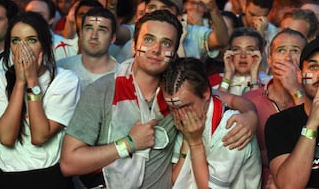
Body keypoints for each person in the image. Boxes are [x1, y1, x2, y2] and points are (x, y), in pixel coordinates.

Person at [61, 10, 258, 188]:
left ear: (173, 53)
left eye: (166, 43)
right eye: (148, 39)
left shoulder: (177, 92)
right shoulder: (102, 91)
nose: (156, 49)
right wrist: (129, 143)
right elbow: (69, 163)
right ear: (133, 46)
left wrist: (251, 115)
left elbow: (223, 98)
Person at [0, 12, 80, 188]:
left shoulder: (66, 80)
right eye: (15, 41)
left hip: (50, 175)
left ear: (44, 45)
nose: (23, 48)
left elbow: (40, 135)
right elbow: (6, 137)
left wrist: (32, 80)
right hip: (8, 177)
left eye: (31, 40)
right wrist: (20, 82)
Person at [163, 57, 261, 188]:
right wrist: (187, 140)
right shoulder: (186, 118)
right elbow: (176, 179)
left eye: (186, 106)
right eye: (173, 108)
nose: (180, 115)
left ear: (205, 93)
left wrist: (195, 143)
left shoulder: (233, 127)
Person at [265, 37, 319, 188]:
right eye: (313, 67)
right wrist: (311, 125)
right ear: (299, 75)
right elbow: (289, 185)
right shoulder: (279, 124)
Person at [243, 28, 308, 188]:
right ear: (270, 60)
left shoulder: (314, 100)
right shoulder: (250, 100)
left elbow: (317, 142)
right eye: (281, 50)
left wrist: (295, 90)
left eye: (295, 51)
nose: (288, 58)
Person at [57, 7, 118, 92]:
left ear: (113, 38)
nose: (94, 36)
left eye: (102, 30)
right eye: (89, 28)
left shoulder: (121, 76)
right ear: (81, 34)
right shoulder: (61, 68)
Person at [217, 27, 270, 95]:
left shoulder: (269, 84)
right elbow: (218, 103)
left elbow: (257, 104)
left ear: (261, 54)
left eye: (250, 50)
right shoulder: (216, 80)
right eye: (236, 50)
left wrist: (254, 75)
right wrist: (228, 75)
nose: (243, 56)